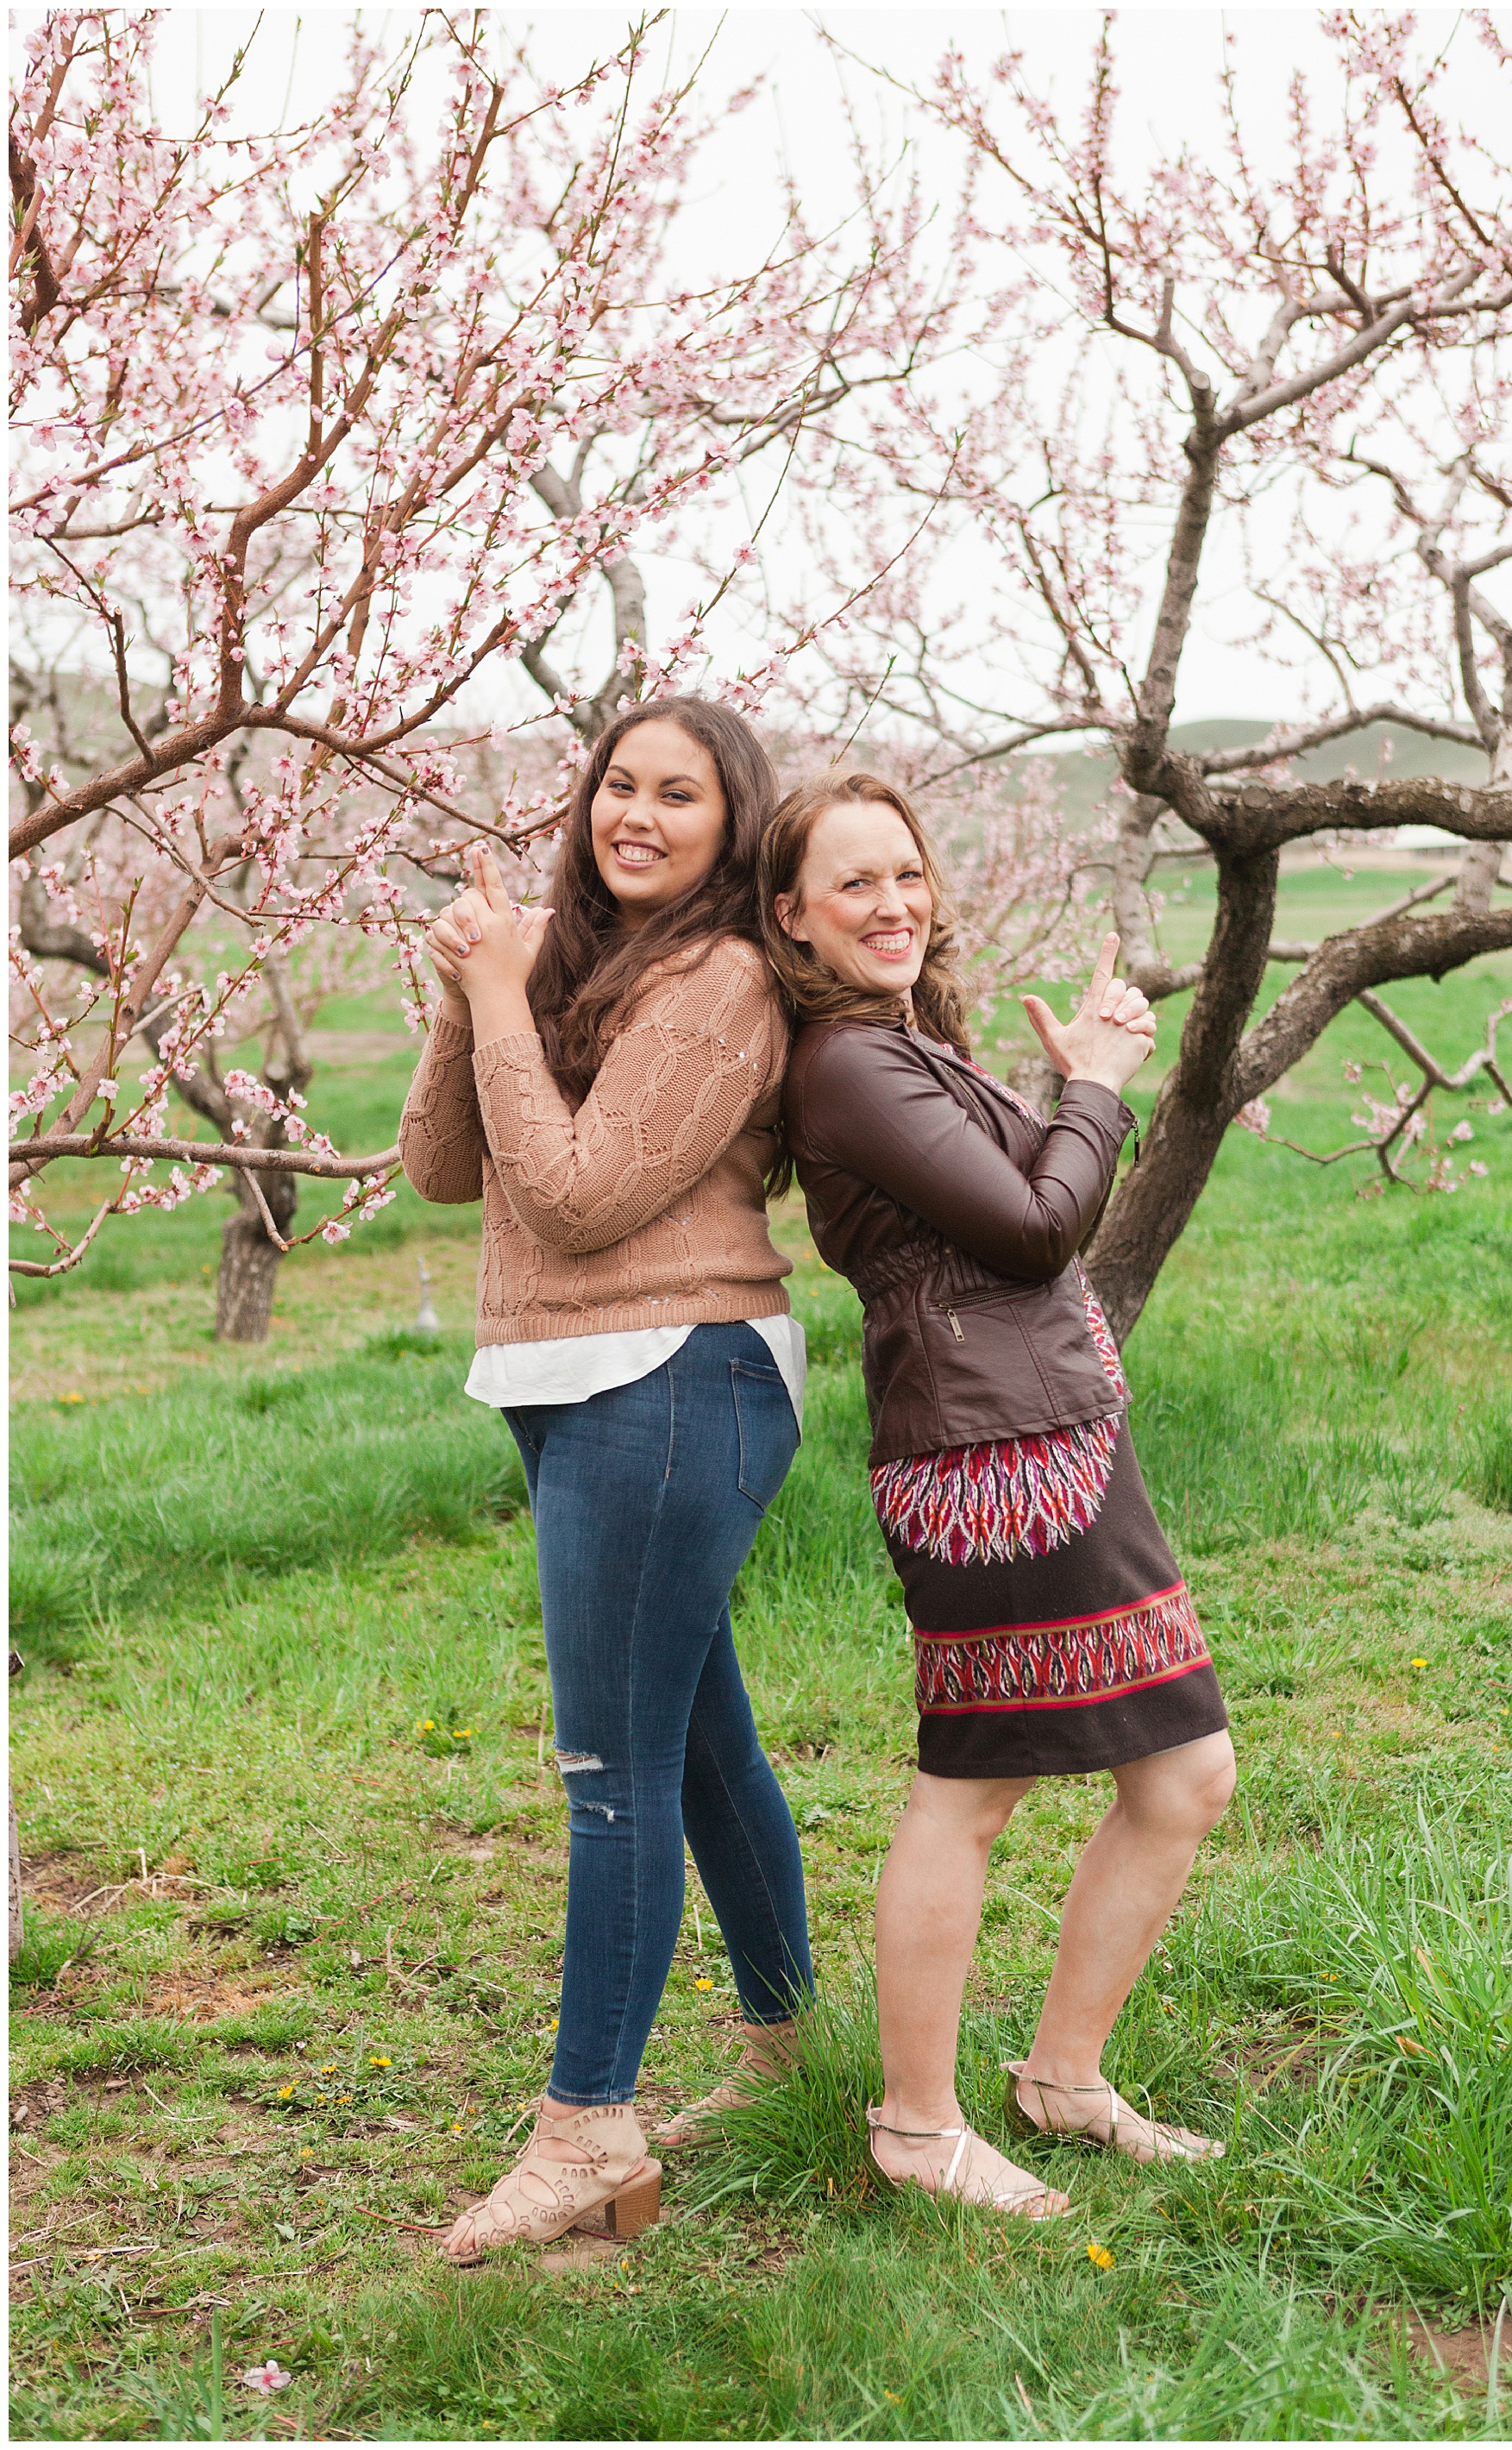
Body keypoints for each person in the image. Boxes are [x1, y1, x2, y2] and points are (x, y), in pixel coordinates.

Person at [760, 771, 1236, 2221]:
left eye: (907, 873)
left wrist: (1057, 1093)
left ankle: (1064, 2081)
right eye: (855, 884)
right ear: (791, 915)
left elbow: (1022, 1200)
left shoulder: (906, 1042)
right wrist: (1092, 1080)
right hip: (993, 1462)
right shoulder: (844, 1063)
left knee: (1182, 1775)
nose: (894, 903)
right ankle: (916, 2123)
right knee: (974, 1788)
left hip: (1054, 1434)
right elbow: (1039, 1230)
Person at [399, 698, 813, 2261]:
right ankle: (791, 2049)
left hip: (669, 1375)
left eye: (679, 796)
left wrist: (505, 995)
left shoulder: (716, 984)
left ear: (731, 825)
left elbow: (572, 1199)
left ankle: (589, 2132)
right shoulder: (579, 963)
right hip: (580, 1381)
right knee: (697, 1748)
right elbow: (447, 1166)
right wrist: (475, 992)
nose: (636, 814)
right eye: (617, 785)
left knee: (609, 1776)